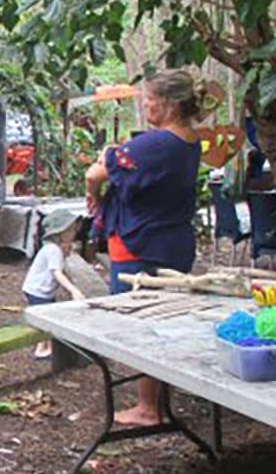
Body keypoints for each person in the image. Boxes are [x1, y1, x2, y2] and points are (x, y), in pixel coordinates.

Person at [85, 71, 205, 427]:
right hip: (173, 241)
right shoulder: (189, 140)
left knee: (138, 326)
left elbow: (97, 172)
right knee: (162, 320)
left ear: (169, 104)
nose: (146, 104)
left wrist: (93, 192)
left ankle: (147, 407)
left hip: (140, 244)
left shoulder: (156, 144)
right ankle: (155, 399)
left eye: (150, 98)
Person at [21, 210, 86, 359]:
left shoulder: (57, 250)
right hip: (37, 291)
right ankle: (41, 349)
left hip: (42, 291)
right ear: (59, 233)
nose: (73, 233)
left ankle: (47, 347)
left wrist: (71, 286)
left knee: (49, 318)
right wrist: (73, 290)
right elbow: (57, 273)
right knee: (47, 319)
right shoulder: (52, 250)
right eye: (69, 230)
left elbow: (63, 271)